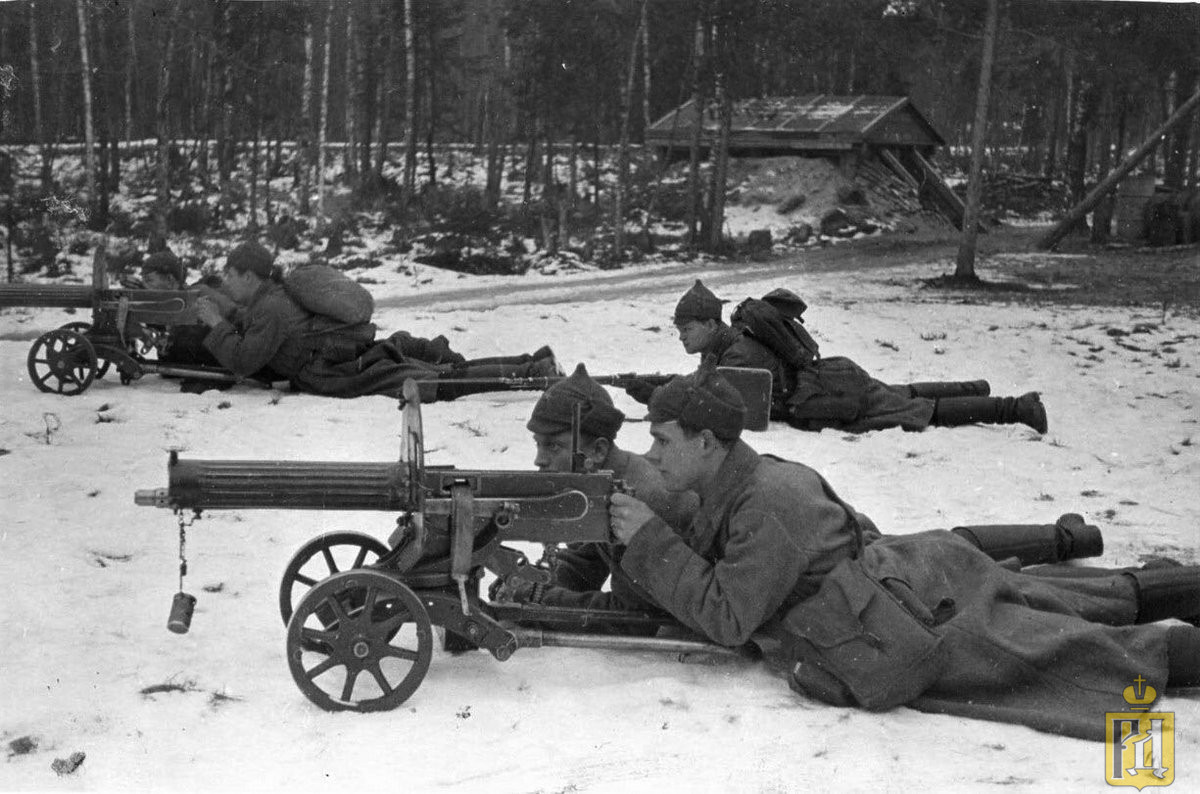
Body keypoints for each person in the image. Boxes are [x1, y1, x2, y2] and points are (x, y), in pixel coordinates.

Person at [603, 367, 1199, 740]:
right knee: (1062, 599)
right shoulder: (745, 478)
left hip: (898, 611)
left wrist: (650, 541)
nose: (651, 455)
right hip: (910, 576)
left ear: (707, 444)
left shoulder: (766, 502)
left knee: (1064, 650)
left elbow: (730, 619)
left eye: (661, 440)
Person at [630, 280, 1046, 434]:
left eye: (686, 330)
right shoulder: (729, 342)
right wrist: (660, 386)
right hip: (831, 378)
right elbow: (704, 380)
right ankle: (977, 389)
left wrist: (660, 394)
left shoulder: (736, 354)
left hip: (829, 393)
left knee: (920, 411)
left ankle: (1017, 409)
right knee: (902, 393)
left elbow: (721, 396)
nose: (681, 337)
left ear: (707, 323)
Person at [194, 240, 560, 400]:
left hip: (333, 370)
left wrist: (215, 323)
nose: (225, 281)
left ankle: (533, 374)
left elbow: (245, 360)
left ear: (249, 276)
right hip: (343, 358)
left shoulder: (270, 308)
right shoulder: (270, 298)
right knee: (436, 374)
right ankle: (532, 364)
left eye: (229, 275)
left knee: (438, 382)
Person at [495, 363, 699, 619]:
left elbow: (632, 616)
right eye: (538, 445)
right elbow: (585, 563)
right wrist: (530, 584)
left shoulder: (638, 500)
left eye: (554, 447)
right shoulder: (602, 485)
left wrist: (541, 600)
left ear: (598, 450)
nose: (539, 460)